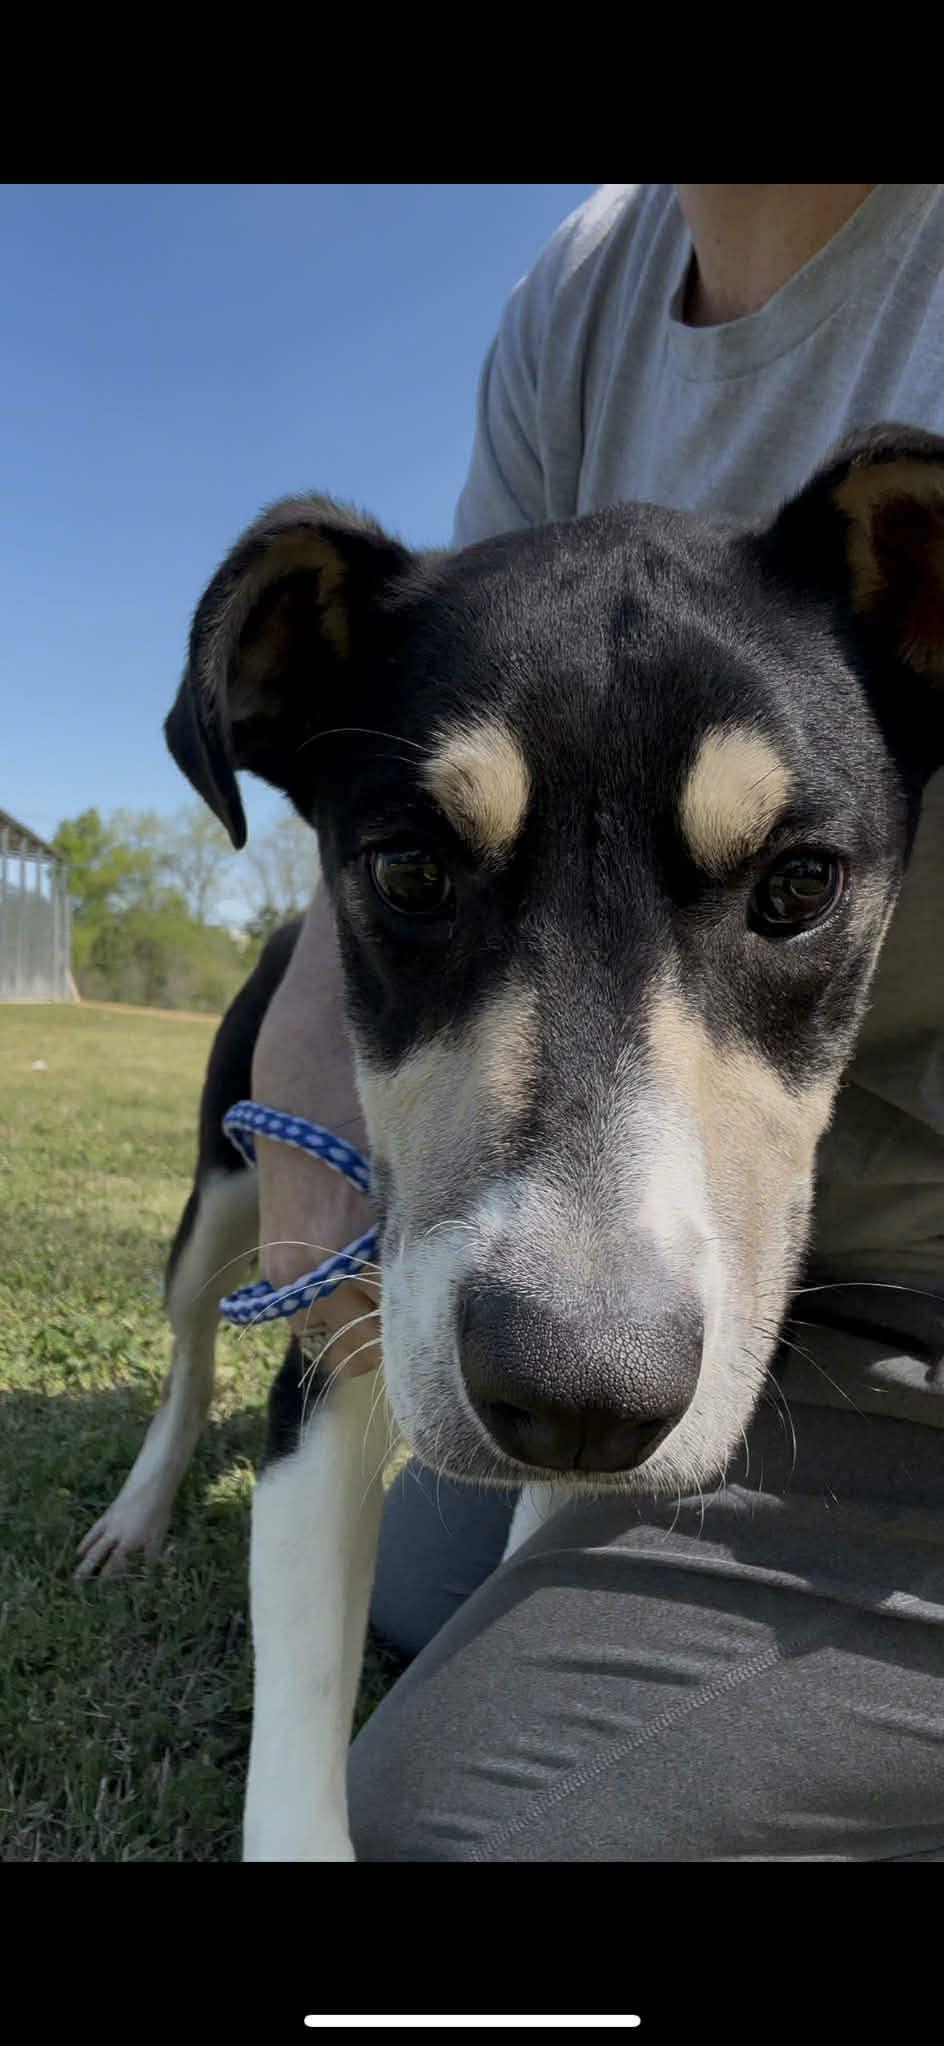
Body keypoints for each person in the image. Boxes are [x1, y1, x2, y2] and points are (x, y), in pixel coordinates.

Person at [252, 186, 944, 1859]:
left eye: (783, 893)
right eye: (426, 871)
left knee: (461, 1830)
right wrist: (302, 1066)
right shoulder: (580, 289)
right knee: (423, 1568)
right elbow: (473, 669)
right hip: (805, 1314)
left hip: (917, 1329)